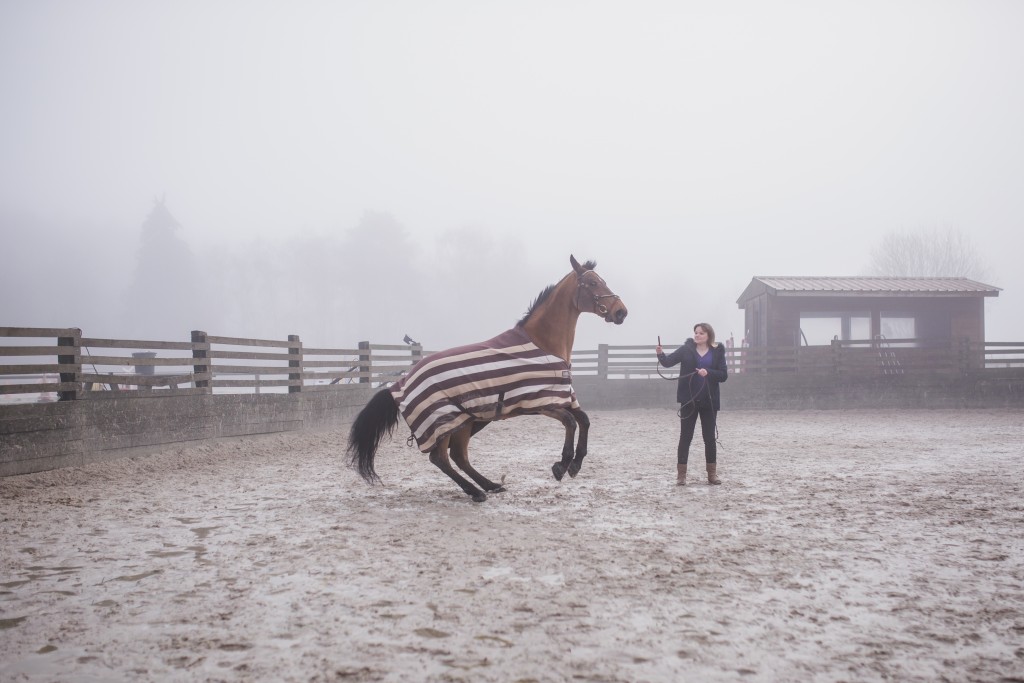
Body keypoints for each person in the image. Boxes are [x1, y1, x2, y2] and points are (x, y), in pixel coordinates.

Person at [655, 322, 728, 485]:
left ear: (709, 335)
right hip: (688, 400)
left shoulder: (718, 351)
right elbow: (667, 362)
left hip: (709, 400)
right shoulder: (686, 349)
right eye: (696, 332)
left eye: (701, 333)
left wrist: (708, 372)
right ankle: (681, 476)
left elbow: (723, 375)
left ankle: (712, 475)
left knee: (709, 438)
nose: (697, 335)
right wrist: (660, 354)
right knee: (685, 437)